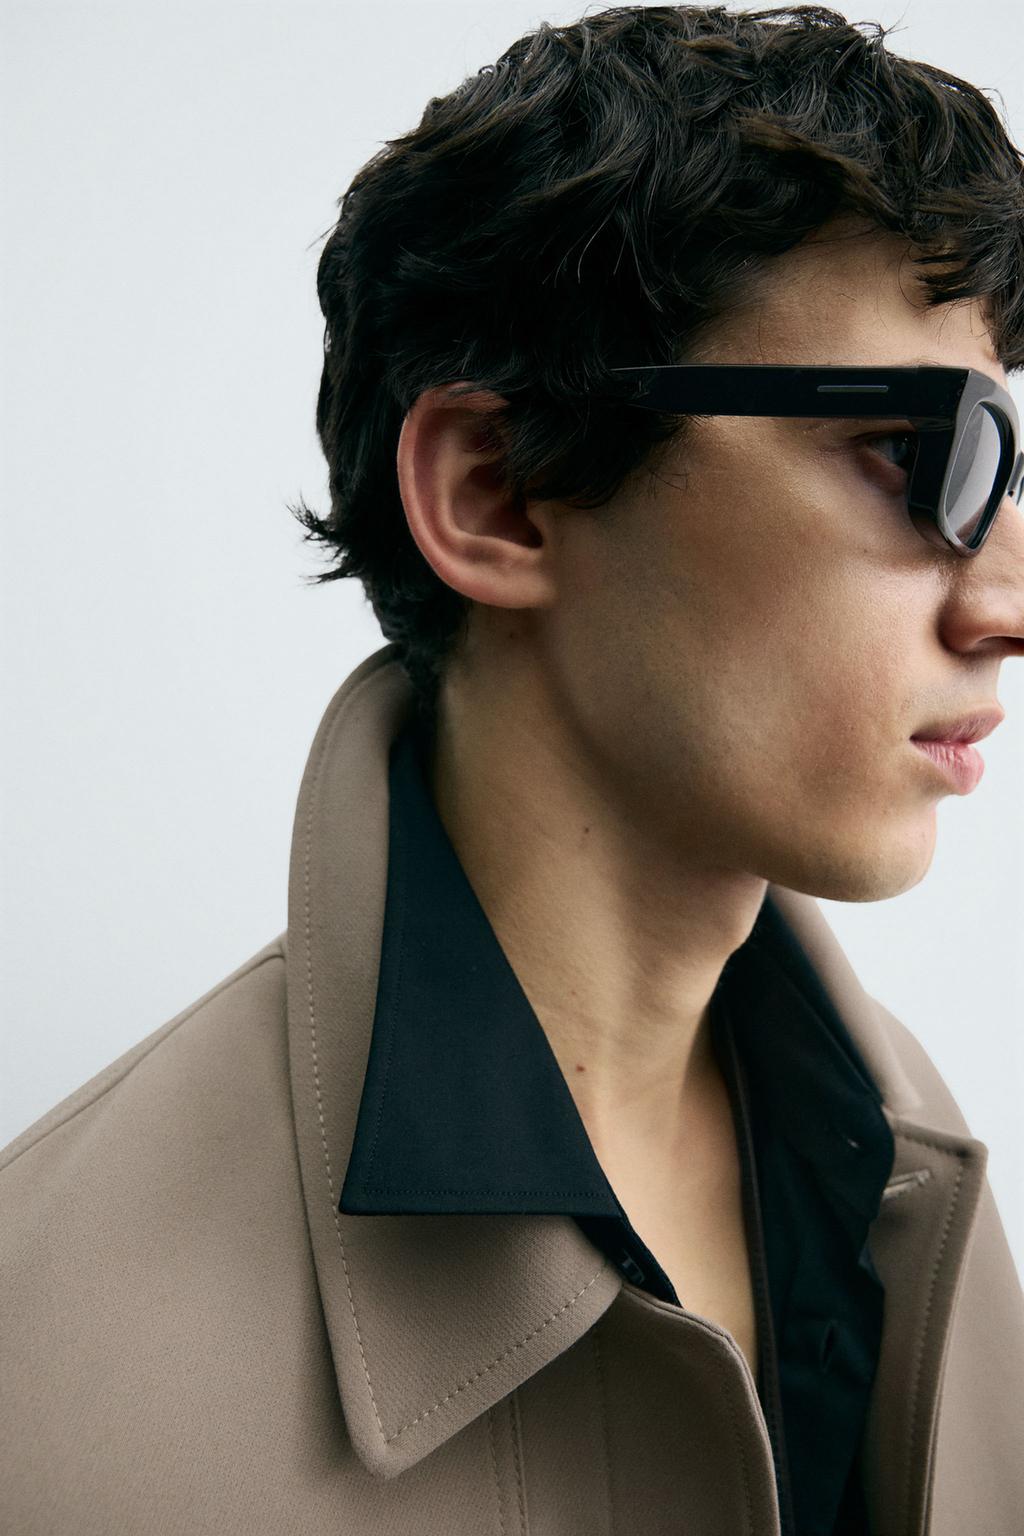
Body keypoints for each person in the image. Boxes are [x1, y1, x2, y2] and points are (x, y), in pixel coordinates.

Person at [2, 5, 1023, 1533]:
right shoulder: (52, 1377)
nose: (1005, 600)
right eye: (914, 454)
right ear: (500, 491)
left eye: (1011, 465)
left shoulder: (912, 1160)